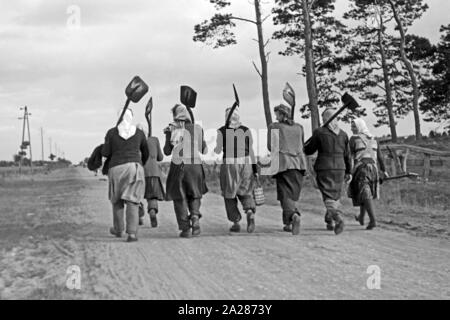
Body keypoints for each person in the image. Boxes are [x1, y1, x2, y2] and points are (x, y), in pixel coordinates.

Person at [101, 108, 149, 242]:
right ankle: (132, 234)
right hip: (134, 167)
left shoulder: (111, 132)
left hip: (116, 168)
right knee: (133, 201)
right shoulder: (139, 133)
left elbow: (105, 152)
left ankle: (118, 229)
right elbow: (146, 152)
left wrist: (108, 141)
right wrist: (141, 164)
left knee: (117, 201)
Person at [304, 108, 352, 235]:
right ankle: (329, 220)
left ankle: (338, 217)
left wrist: (303, 147)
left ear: (325, 118)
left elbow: (309, 150)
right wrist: (349, 171)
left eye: (322, 117)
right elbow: (347, 155)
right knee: (335, 195)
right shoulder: (343, 134)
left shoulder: (319, 132)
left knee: (328, 196)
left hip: (325, 168)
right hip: (340, 168)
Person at [163, 104, 208, 238]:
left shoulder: (172, 129)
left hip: (178, 165)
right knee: (195, 193)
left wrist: (167, 135)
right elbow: (204, 150)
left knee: (179, 197)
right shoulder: (197, 128)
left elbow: (166, 151)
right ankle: (194, 215)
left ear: (175, 116)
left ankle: (185, 229)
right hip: (195, 164)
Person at [214, 108, 258, 233]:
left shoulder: (222, 130)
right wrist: (255, 169)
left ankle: (236, 221)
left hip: (229, 163)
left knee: (229, 193)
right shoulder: (246, 130)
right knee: (246, 191)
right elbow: (251, 151)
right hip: (246, 163)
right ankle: (249, 211)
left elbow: (218, 150)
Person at [267, 104, 307, 235]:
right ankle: (288, 224)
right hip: (299, 164)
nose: (276, 117)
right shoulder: (299, 127)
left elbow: (270, 146)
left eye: (277, 114)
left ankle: (293, 216)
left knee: (285, 194)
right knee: (291, 194)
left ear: (282, 114)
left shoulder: (275, 127)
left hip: (284, 164)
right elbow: (302, 144)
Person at [349, 118, 388, 230]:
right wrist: (383, 171)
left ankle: (373, 220)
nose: (352, 129)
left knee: (365, 193)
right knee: (365, 192)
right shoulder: (374, 139)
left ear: (360, 127)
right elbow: (379, 157)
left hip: (361, 169)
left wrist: (349, 171)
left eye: (354, 126)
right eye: (352, 126)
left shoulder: (354, 139)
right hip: (374, 170)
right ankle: (361, 217)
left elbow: (349, 157)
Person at [136, 123, 165, 228]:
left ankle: (139, 217)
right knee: (152, 196)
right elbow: (160, 157)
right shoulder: (154, 140)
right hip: (153, 172)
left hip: (139, 172)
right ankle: (152, 210)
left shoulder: (135, 142)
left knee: (136, 196)